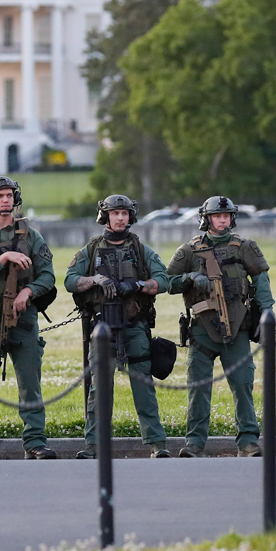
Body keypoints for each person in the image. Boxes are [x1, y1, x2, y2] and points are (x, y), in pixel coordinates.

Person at [166, 195, 274, 458]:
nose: (223, 220)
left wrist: (266, 314)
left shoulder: (244, 247)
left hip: (238, 327)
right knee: (198, 388)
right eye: (217, 216)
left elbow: (261, 280)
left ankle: (248, 442)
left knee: (242, 384)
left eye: (226, 216)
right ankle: (194, 444)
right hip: (202, 329)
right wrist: (190, 278)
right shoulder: (189, 250)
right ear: (207, 219)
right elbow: (167, 281)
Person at [65, 194, 170, 459]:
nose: (120, 217)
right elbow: (70, 280)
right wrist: (95, 280)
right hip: (101, 328)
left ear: (130, 217)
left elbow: (163, 280)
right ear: (106, 216)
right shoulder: (90, 249)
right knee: (98, 389)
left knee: (144, 386)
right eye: (115, 213)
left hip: (135, 325)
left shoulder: (141, 250)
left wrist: (137, 285)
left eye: (124, 213)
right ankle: (93, 445)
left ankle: (157, 444)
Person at [0, 176, 58, 460]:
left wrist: (28, 290)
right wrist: (4, 259)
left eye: (9, 195)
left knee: (30, 381)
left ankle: (35, 442)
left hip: (24, 315)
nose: (5, 200)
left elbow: (48, 276)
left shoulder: (32, 235)